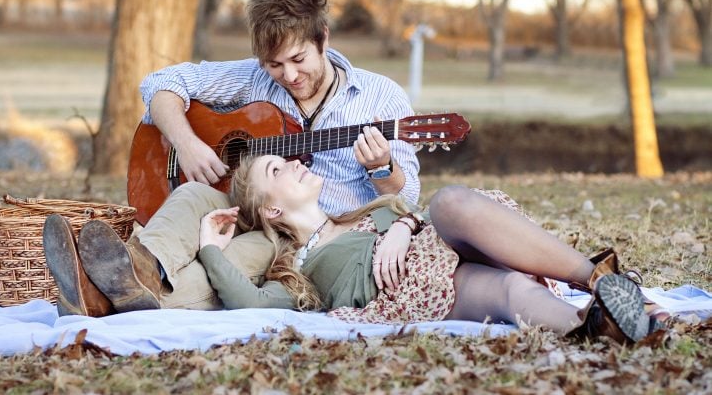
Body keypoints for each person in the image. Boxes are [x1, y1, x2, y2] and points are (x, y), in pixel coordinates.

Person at [42, 0, 420, 317]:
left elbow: (408, 199)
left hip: (307, 239)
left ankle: (96, 297)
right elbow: (161, 82)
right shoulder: (253, 78)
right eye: (275, 64)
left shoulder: (380, 97)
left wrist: (381, 168)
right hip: (252, 203)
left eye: (299, 59)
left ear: (323, 38)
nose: (289, 76)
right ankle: (142, 265)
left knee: (231, 262)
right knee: (191, 193)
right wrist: (187, 144)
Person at [192, 154, 661, 344]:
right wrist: (211, 249)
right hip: (420, 290)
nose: (292, 163)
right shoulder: (296, 268)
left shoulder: (361, 212)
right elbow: (249, 303)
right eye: (276, 172)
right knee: (510, 289)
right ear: (271, 213)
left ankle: (597, 277)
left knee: (451, 201)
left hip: (442, 239)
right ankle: (599, 327)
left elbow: (416, 213)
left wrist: (402, 227)